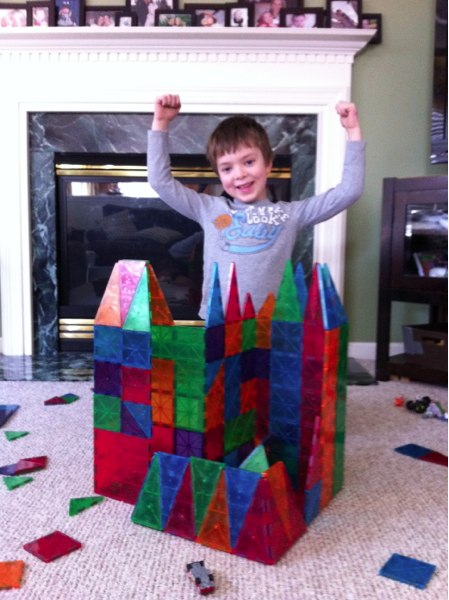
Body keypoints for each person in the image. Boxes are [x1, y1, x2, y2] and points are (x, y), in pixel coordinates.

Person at [147, 94, 365, 320]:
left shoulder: (289, 215)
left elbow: (349, 191)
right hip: (220, 320)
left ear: (268, 163)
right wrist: (160, 124)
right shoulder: (209, 209)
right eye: (227, 168)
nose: (240, 174)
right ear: (219, 174)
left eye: (249, 162)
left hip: (270, 323)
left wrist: (353, 132)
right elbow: (160, 182)